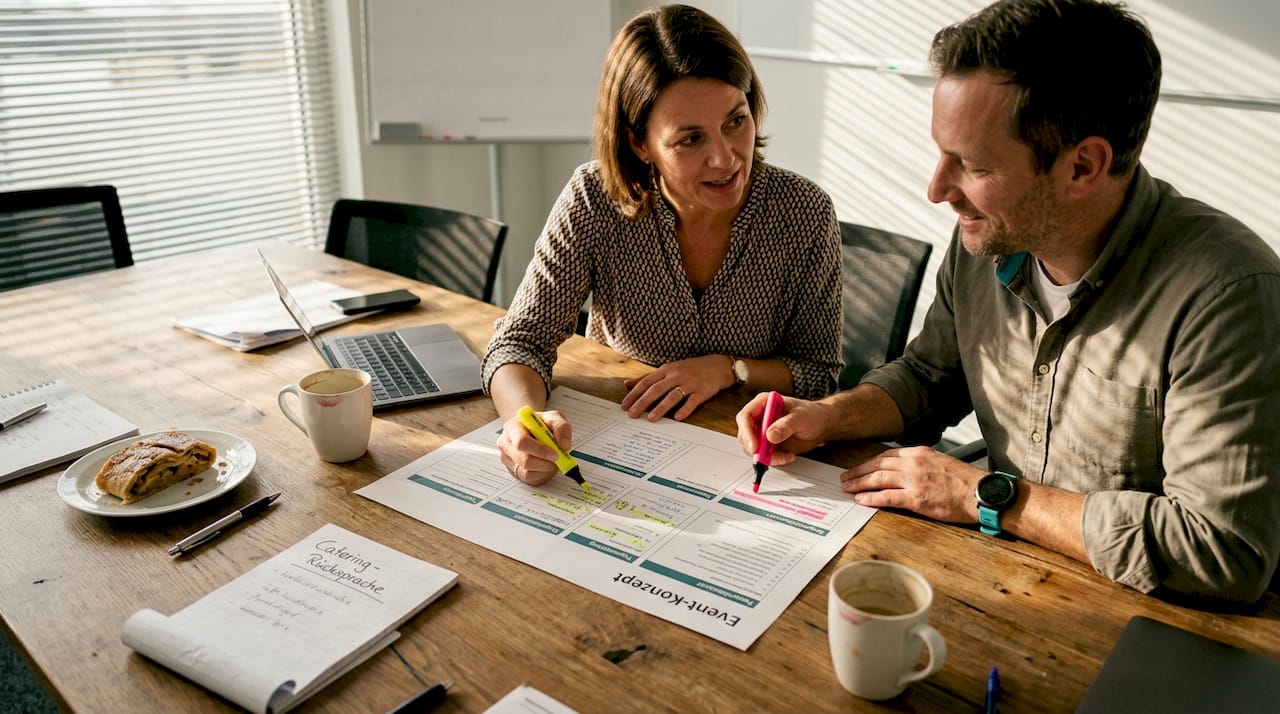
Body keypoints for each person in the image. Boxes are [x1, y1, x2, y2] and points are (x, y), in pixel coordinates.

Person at [738, 0, 1280, 603]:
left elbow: (1222, 549)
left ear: (1082, 167)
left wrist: (985, 496)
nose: (937, 189)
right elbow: (932, 374)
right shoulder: (986, 237)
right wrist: (829, 415)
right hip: (996, 577)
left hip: (1137, 615)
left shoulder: (1229, 295)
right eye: (942, 154)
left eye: (970, 165)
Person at [485, 5, 842, 487]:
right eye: (690, 139)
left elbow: (819, 374)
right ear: (638, 143)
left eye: (736, 121)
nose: (725, 158)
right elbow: (519, 340)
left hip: (753, 464)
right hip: (624, 446)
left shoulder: (803, 213)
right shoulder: (594, 199)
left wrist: (728, 369)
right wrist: (522, 422)